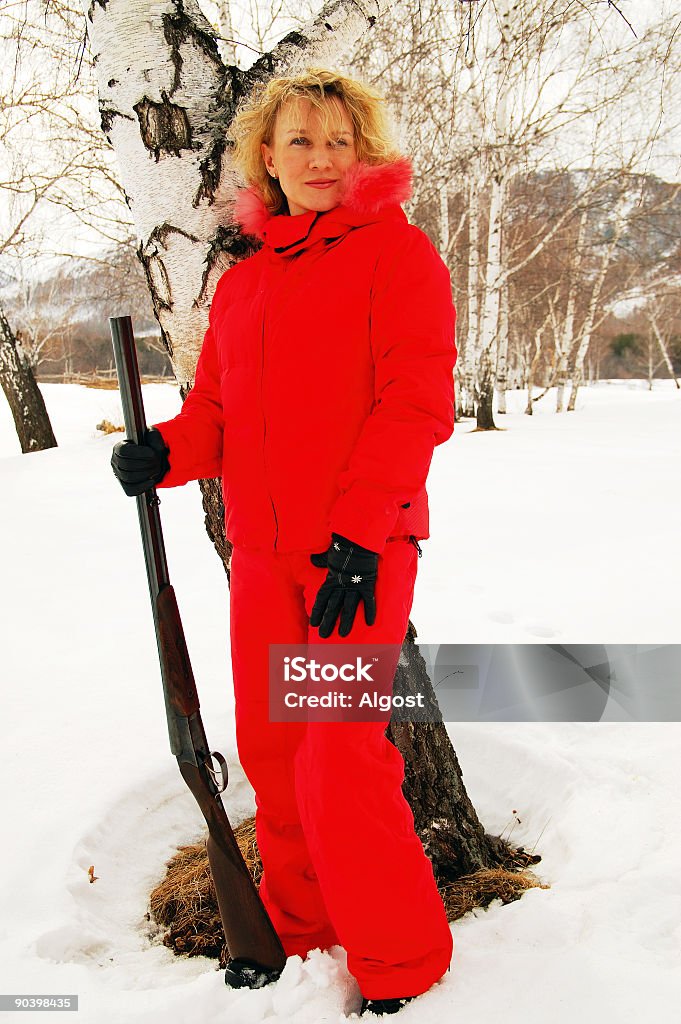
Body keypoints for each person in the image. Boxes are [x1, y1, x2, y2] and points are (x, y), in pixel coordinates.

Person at [111, 67, 457, 1017]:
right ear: (266, 157)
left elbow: (415, 400)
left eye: (338, 141)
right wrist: (163, 453)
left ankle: (399, 962)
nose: (319, 158)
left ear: (362, 156)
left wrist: (358, 534)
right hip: (263, 561)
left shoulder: (398, 256)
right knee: (275, 754)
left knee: (343, 758)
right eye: (299, 141)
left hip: (356, 557)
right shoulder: (246, 284)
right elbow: (217, 412)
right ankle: (298, 934)